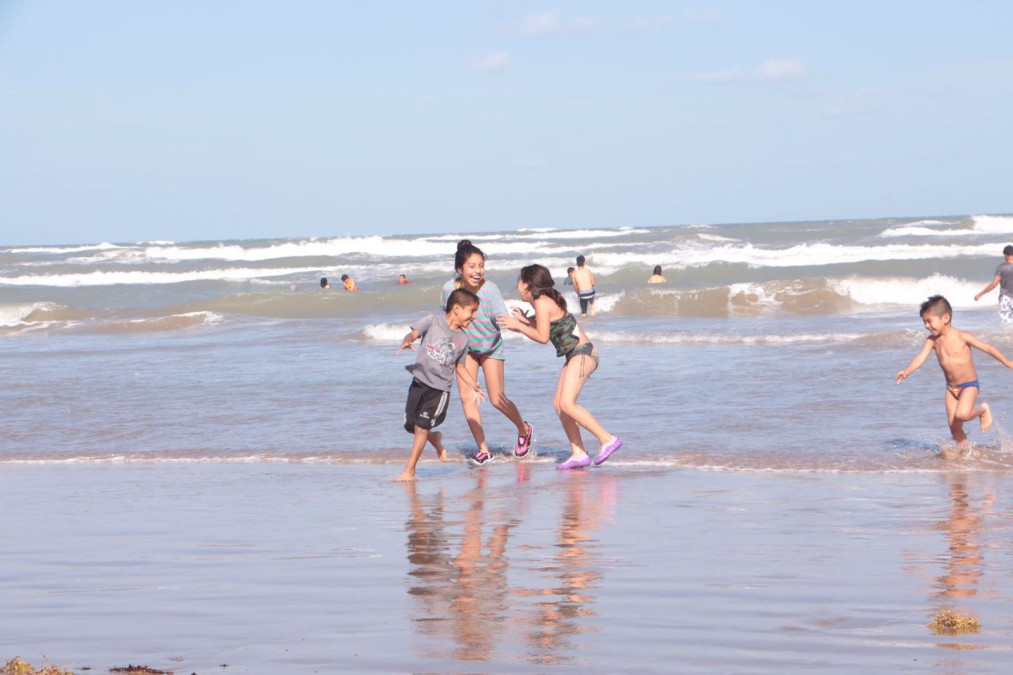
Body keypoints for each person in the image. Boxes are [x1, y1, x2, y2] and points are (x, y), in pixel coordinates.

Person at [498, 264, 622, 469]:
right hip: (575, 355)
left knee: (567, 403)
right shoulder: (544, 302)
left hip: (583, 354)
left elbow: (543, 337)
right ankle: (578, 452)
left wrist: (518, 326)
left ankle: (607, 439)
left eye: (519, 282)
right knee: (559, 404)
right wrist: (526, 320)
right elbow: (546, 324)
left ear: (528, 285)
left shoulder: (541, 301)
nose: (517, 286)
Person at [441, 240, 533, 465]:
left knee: (496, 399)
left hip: (491, 348)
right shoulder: (448, 290)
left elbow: (501, 317)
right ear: (459, 269)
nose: (477, 271)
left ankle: (524, 429)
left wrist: (516, 323)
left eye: (481, 265)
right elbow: (448, 320)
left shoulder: (489, 290)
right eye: (472, 266)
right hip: (467, 351)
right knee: (466, 397)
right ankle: (483, 450)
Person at [895, 295, 1012, 448]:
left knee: (962, 414)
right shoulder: (931, 341)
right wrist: (907, 371)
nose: (927, 326)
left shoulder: (962, 336)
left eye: (929, 321)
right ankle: (965, 453)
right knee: (954, 426)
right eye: (924, 322)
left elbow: (987, 348)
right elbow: (920, 358)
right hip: (951, 389)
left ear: (945, 317)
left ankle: (982, 410)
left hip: (969, 386)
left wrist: (1007, 361)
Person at [396, 288, 485, 481]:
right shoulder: (432, 321)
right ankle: (435, 439)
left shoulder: (463, 338)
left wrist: (473, 385)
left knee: (421, 428)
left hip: (439, 390)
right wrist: (406, 341)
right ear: (456, 309)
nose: (474, 316)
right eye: (472, 311)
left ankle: (409, 470)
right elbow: (413, 334)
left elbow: (460, 367)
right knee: (410, 425)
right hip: (418, 382)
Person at [973, 245, 1013, 325]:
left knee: (1007, 324)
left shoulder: (1001, 267)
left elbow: (994, 284)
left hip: (1006, 298)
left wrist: (980, 294)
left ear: (1005, 255)